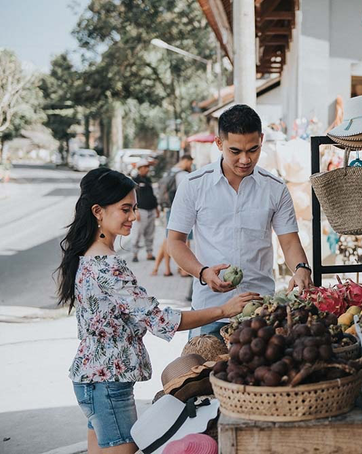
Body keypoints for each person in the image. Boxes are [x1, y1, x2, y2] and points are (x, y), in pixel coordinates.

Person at [56, 167, 259, 454]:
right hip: (109, 385)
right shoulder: (108, 265)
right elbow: (160, 320)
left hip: (92, 380)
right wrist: (223, 310)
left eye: (135, 208)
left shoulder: (86, 256)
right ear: (98, 211)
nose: (134, 217)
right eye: (125, 209)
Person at [167, 105, 313, 340]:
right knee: (201, 375)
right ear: (218, 143)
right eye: (235, 151)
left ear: (262, 140)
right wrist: (203, 273)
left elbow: (289, 242)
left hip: (261, 311)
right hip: (209, 312)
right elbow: (175, 242)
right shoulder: (193, 185)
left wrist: (301, 269)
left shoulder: (275, 188)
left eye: (253, 150)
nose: (245, 159)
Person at [151, 154, 194, 277]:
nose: (190, 166)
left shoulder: (170, 172)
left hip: (168, 208)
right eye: (190, 163)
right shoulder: (182, 175)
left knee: (168, 239)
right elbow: (187, 195)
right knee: (181, 240)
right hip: (180, 211)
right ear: (186, 161)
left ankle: (164, 268)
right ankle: (183, 270)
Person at [131, 159, 159, 262]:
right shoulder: (135, 181)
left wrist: (156, 208)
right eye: (145, 167)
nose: (147, 169)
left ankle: (149, 253)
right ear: (140, 168)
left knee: (150, 233)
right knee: (138, 233)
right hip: (141, 210)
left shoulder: (148, 180)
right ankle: (135, 253)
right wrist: (136, 211)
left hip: (151, 209)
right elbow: (133, 198)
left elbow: (152, 195)